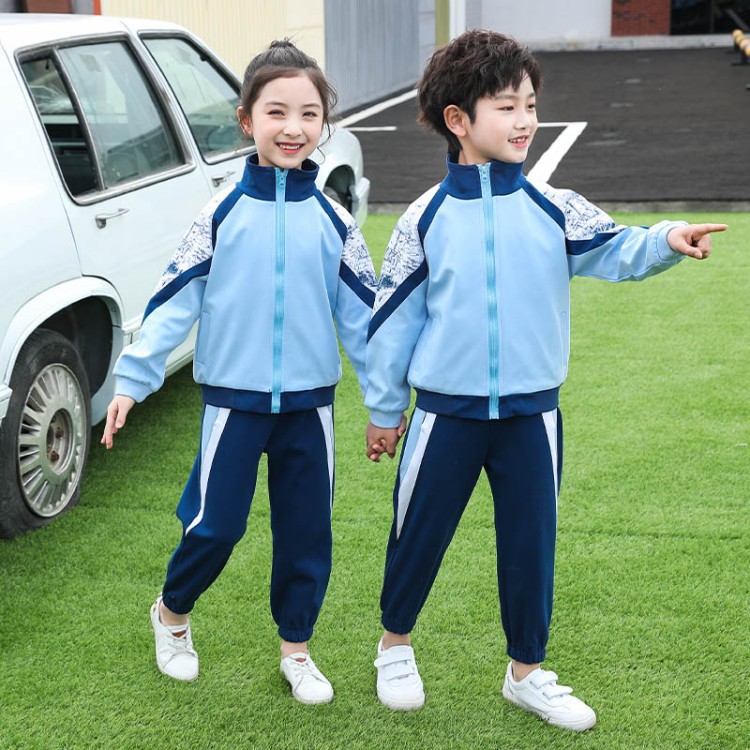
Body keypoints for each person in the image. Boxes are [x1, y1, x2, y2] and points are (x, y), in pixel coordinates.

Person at [364, 29, 726, 730]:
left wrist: (667, 239)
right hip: (444, 415)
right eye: (506, 106)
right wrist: (385, 410)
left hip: (533, 415)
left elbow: (618, 246)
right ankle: (395, 646)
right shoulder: (424, 218)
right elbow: (393, 323)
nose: (525, 119)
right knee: (418, 532)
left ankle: (525, 672)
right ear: (458, 119)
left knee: (531, 544)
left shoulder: (554, 205)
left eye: (530, 104)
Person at [101, 39, 377, 705]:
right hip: (234, 401)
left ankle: (297, 649)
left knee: (307, 533)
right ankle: (171, 614)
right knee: (215, 525)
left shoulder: (336, 222)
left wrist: (386, 402)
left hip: (310, 405)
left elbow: (365, 321)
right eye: (276, 112)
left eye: (309, 114)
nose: (293, 128)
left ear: (324, 123)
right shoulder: (219, 213)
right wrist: (133, 382)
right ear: (246, 119)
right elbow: (174, 302)